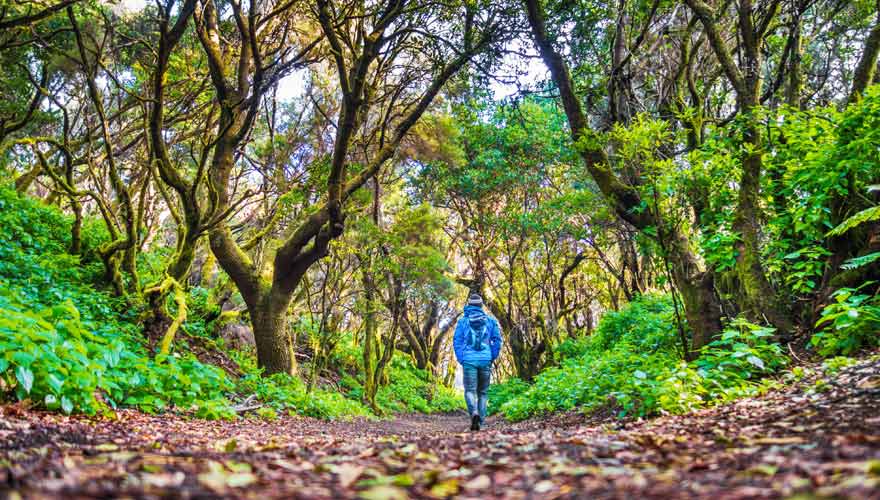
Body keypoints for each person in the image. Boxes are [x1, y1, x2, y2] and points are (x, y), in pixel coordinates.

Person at [453, 293, 502, 431]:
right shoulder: (490, 321)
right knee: (483, 392)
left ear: (469, 305)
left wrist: (461, 358)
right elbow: (497, 340)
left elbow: (457, 340)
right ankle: (480, 422)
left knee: (470, 390)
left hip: (469, 360)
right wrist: (492, 356)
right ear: (481, 305)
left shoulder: (463, 321)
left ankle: (473, 413)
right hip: (485, 359)